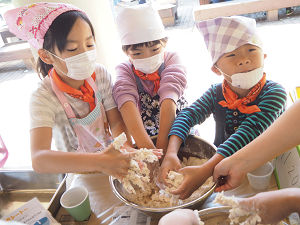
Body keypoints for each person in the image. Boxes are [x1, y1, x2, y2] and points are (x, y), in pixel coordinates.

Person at [4, 3, 161, 178]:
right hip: (80, 174)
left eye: (89, 44)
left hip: (112, 163)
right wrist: (101, 162)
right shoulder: (43, 98)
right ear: (46, 56)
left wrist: (126, 151)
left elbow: (116, 122)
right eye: (72, 49)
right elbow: (39, 159)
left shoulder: (100, 74)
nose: (85, 54)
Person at [159, 16, 287, 199]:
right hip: (220, 166)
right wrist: (171, 152)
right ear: (216, 69)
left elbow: (248, 132)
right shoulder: (216, 93)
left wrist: (205, 170)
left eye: (251, 50)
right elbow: (187, 115)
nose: (244, 60)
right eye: (231, 55)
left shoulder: (275, 94)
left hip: (261, 171)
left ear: (264, 55)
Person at [113, 3, 187, 152]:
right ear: (126, 52)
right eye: (138, 54)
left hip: (179, 129)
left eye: (154, 49)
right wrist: (149, 151)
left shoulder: (172, 59)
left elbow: (168, 100)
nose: (148, 57)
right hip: (147, 136)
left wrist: (163, 147)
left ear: (164, 42)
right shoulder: (125, 70)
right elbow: (127, 105)